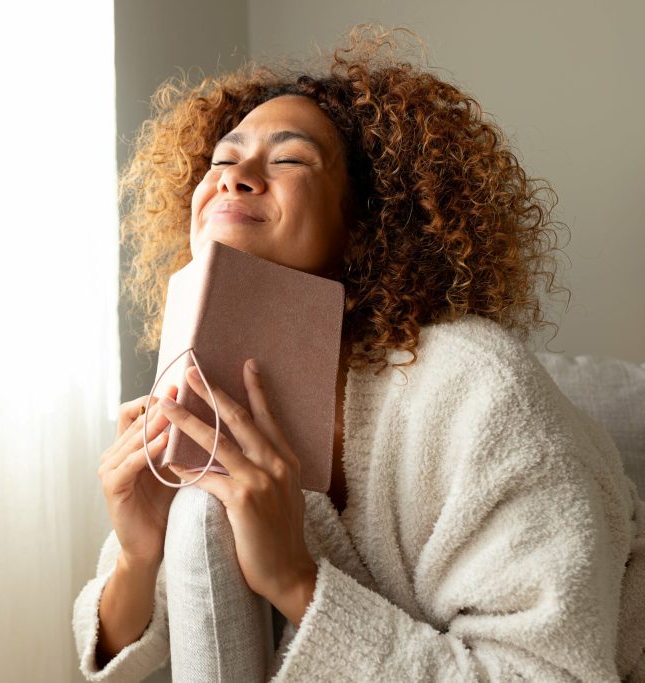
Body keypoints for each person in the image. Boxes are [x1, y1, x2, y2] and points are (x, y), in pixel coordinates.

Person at [73, 24, 645, 682]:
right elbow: (126, 640)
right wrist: (138, 558)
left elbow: (551, 673)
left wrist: (294, 577)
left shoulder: (473, 385)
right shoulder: (214, 373)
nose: (235, 179)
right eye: (220, 162)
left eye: (287, 160)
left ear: (366, 222)